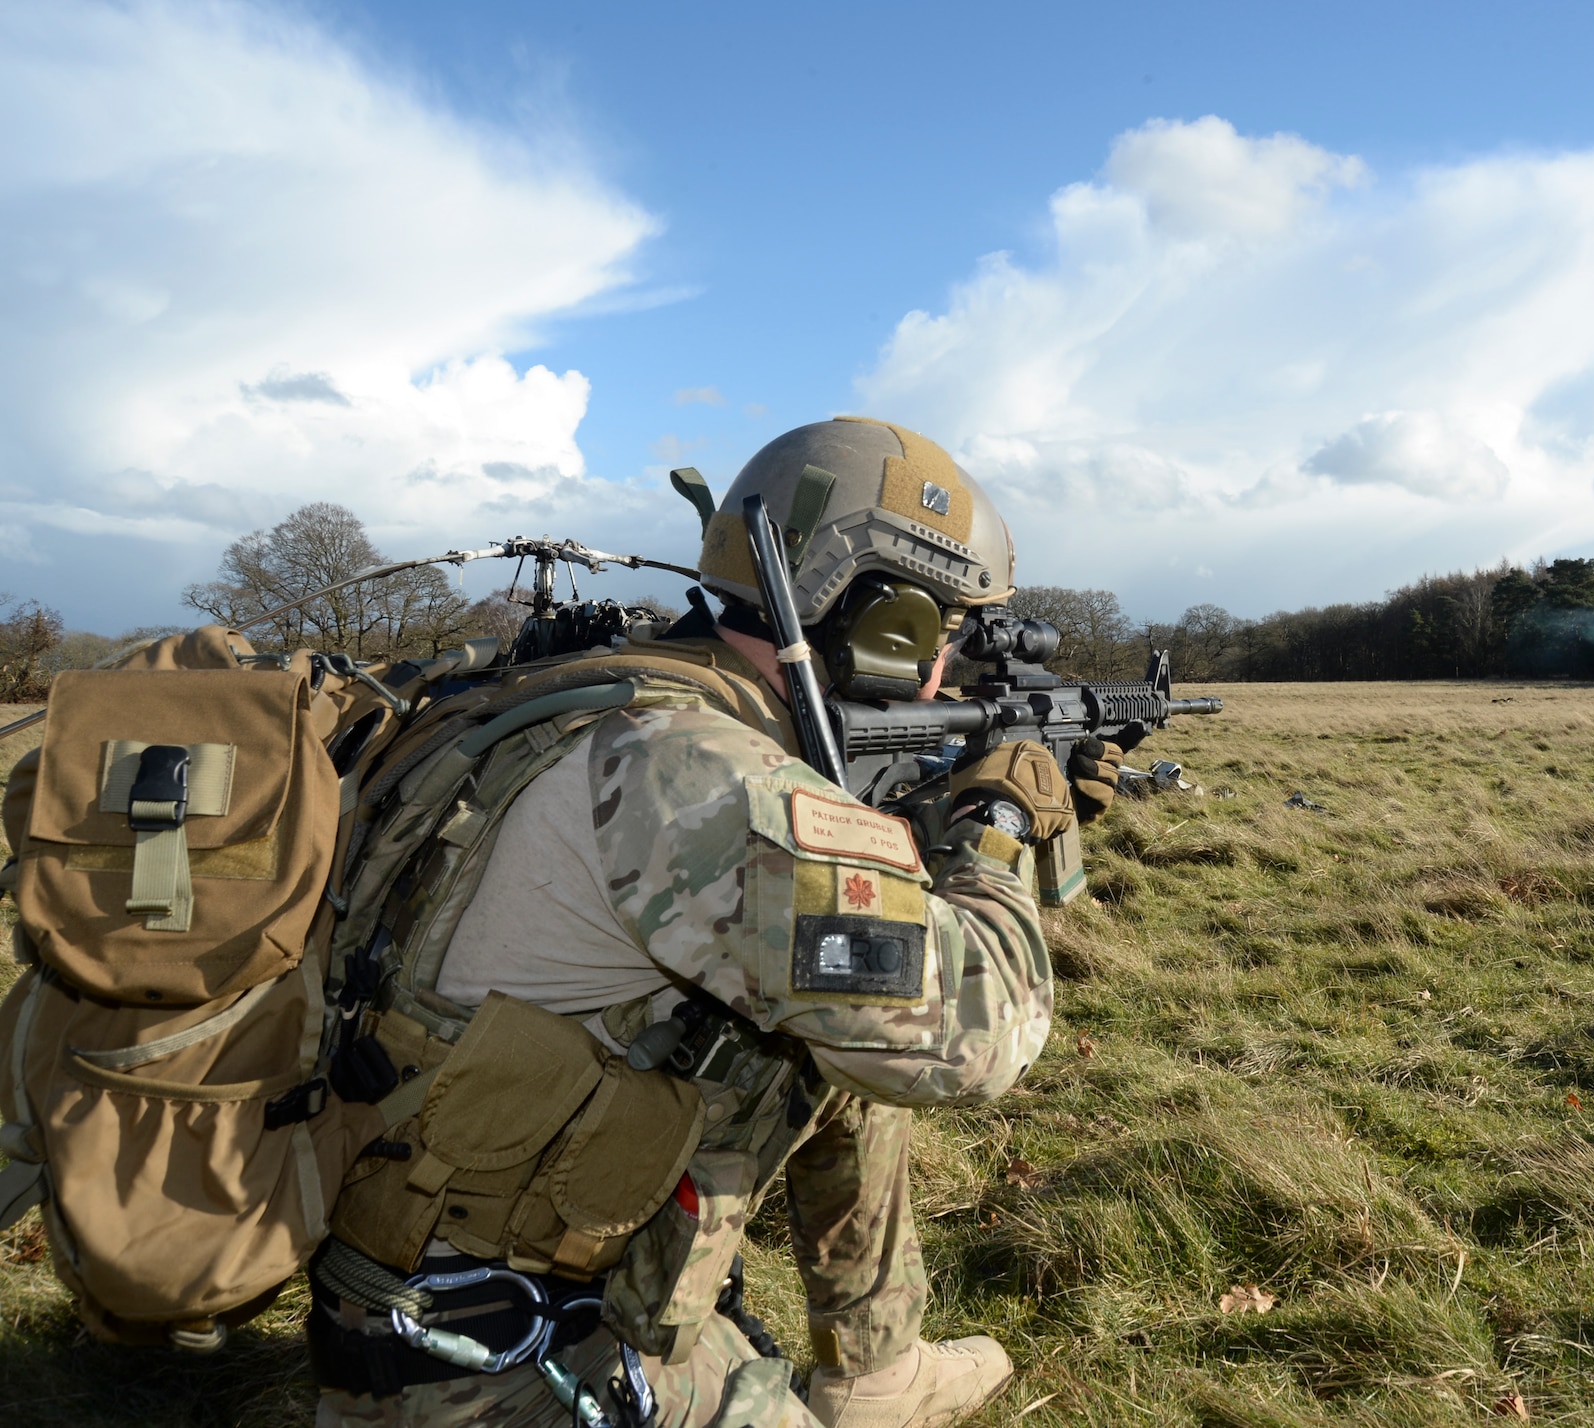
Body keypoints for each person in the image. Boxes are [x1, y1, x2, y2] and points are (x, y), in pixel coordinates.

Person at [308, 418, 1126, 1428]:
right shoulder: (689, 770)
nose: (943, 667)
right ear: (887, 619)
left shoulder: (616, 693)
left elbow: (841, 948)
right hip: (495, 1368)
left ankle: (878, 1374)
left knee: (834, 1063)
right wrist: (994, 827)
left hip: (416, 1253)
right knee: (882, 1035)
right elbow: (974, 1033)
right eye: (944, 630)